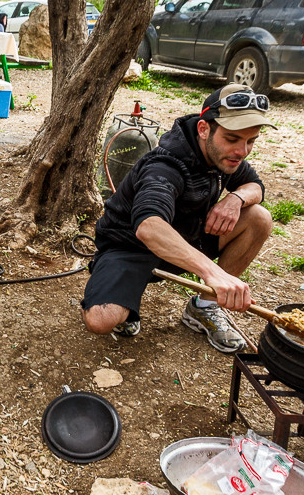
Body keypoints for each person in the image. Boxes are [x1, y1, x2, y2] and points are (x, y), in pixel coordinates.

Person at [80, 84, 275, 353]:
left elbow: (256, 186)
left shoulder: (225, 155)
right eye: (232, 139)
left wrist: (236, 199)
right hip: (130, 248)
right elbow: (149, 226)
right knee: (100, 320)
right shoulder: (165, 166)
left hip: (188, 238)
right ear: (204, 129)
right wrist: (213, 272)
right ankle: (113, 282)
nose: (242, 151)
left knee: (258, 218)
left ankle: (204, 308)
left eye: (251, 141)